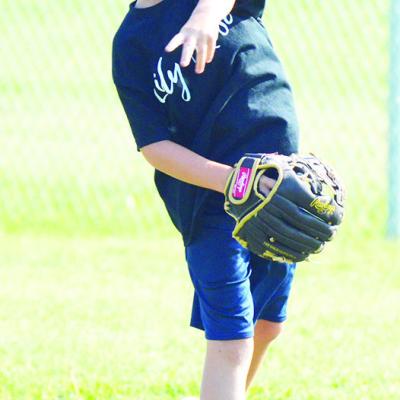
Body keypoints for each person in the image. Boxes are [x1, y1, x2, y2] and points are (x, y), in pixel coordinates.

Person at [112, 1, 299, 399]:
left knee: (267, 324)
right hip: (210, 204)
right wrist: (235, 182)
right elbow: (155, 146)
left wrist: (204, 16)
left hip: (278, 189)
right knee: (231, 340)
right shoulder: (131, 43)